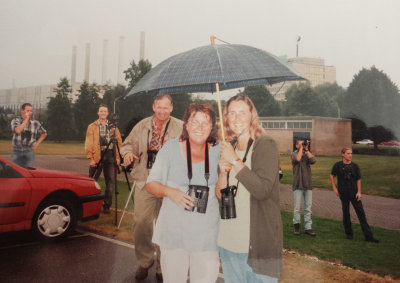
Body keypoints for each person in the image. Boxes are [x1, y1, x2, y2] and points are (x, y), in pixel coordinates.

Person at [145, 102, 220, 283]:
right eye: (195, 122)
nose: (200, 127)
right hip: (174, 233)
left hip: (206, 235)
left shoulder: (221, 150)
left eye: (206, 122)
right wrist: (170, 192)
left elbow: (224, 192)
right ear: (186, 124)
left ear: (212, 126)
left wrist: (224, 171)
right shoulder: (170, 148)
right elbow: (151, 184)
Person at [216, 94, 283, 282]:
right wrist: (222, 172)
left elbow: (262, 190)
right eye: (232, 113)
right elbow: (220, 195)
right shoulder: (230, 147)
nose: (236, 118)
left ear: (252, 115)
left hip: (257, 246)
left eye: (242, 113)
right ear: (226, 118)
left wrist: (235, 161)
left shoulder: (265, 144)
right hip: (229, 242)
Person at [120, 94, 183, 281]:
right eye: (159, 107)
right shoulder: (142, 126)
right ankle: (145, 260)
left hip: (170, 183)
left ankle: (163, 265)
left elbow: (193, 149)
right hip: (145, 180)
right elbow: (126, 145)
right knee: (141, 223)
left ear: (172, 108)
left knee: (169, 226)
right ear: (154, 106)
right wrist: (128, 154)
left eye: (166, 107)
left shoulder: (181, 127)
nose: (162, 111)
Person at [330, 148, 379, 243]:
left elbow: (358, 180)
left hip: (354, 193)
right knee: (346, 213)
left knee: (361, 214)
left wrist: (359, 192)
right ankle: (349, 234)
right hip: (343, 193)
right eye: (348, 153)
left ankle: (368, 236)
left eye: (351, 153)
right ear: (343, 154)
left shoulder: (355, 166)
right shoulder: (338, 165)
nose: (350, 155)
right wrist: (335, 188)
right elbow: (332, 175)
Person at [85, 104, 122, 214]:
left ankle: (106, 206)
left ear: (107, 113)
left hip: (110, 155)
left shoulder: (113, 127)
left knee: (110, 181)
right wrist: (90, 158)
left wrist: (118, 157)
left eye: (105, 111)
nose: (103, 113)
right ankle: (88, 205)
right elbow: (88, 143)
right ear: (98, 113)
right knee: (91, 181)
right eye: (101, 111)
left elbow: (119, 142)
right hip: (98, 155)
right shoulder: (92, 126)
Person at [291, 139, 316, 236]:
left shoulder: (306, 153)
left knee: (308, 208)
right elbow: (297, 159)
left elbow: (313, 160)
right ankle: (296, 227)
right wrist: (301, 148)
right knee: (297, 208)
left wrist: (306, 149)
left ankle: (308, 228)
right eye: (300, 144)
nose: (302, 145)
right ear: (296, 145)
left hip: (307, 184)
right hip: (297, 184)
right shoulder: (294, 154)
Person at [10, 103, 47, 168]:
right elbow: (18, 131)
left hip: (29, 151)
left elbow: (44, 133)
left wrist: (37, 144)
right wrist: (26, 119)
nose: (29, 112)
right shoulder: (16, 120)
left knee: (28, 172)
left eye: (31, 111)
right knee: (13, 171)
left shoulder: (35, 123)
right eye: (27, 110)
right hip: (16, 150)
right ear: (22, 110)